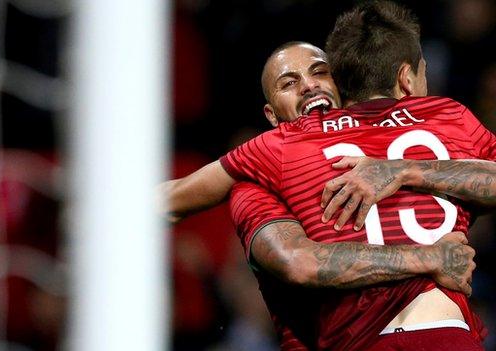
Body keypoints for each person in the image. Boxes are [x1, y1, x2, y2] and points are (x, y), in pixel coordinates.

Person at [164, 2, 496, 350]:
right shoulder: (445, 116)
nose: (308, 86)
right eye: (289, 83)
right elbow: (299, 262)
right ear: (271, 115)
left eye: (319, 72)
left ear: (342, 83)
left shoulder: (284, 147)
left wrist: (402, 170)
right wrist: (430, 258)